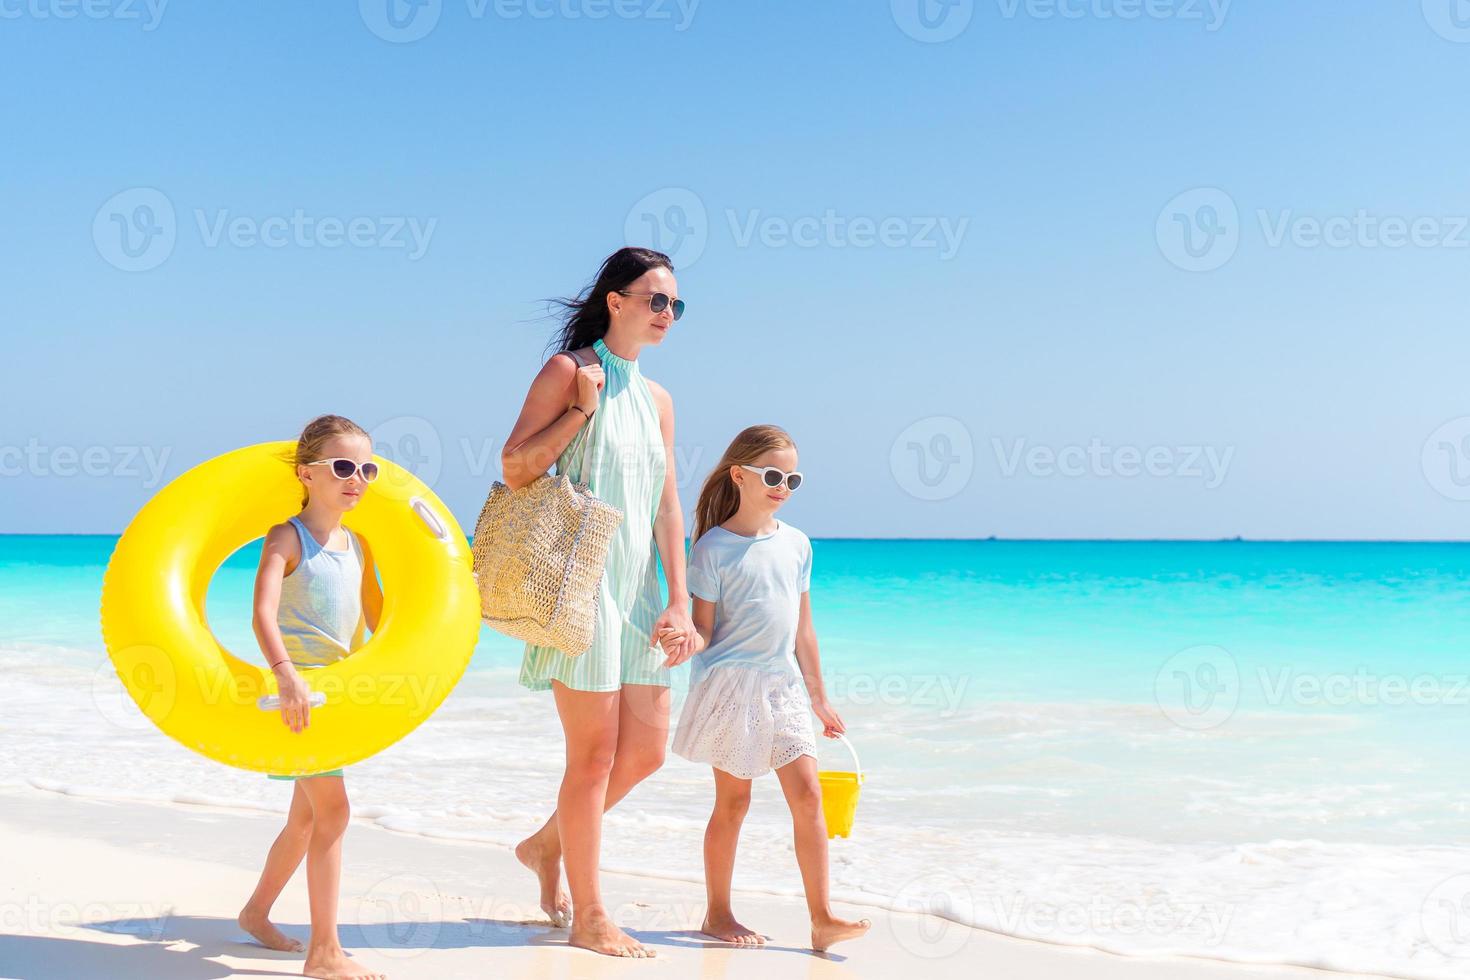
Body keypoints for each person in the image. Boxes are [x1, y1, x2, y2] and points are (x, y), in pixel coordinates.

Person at [502, 247, 697, 958]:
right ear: (615, 301)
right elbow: (516, 468)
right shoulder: (568, 372)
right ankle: (589, 915)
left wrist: (680, 600)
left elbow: (669, 506)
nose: (666, 313)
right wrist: (580, 414)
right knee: (591, 759)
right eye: (655, 299)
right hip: (577, 582)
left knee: (644, 753)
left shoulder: (660, 399)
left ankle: (544, 845)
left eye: (675, 303)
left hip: (640, 588)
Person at [661, 424, 870, 952]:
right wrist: (682, 638)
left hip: (783, 687)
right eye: (773, 475)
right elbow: (705, 630)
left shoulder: (797, 544)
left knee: (809, 795)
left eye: (793, 478)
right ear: (740, 475)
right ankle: (717, 913)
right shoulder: (712, 549)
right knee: (734, 804)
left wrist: (819, 697)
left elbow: (803, 631)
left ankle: (822, 918)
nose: (784, 486)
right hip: (731, 688)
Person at [237, 414, 387, 980]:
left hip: (340, 694)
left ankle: (255, 913)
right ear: (306, 473)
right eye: (343, 467)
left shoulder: (359, 542)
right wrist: (284, 673)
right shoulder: (286, 537)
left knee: (304, 819)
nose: (357, 478)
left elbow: (376, 620)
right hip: (300, 696)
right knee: (334, 811)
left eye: (366, 468)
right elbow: (262, 613)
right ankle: (324, 952)